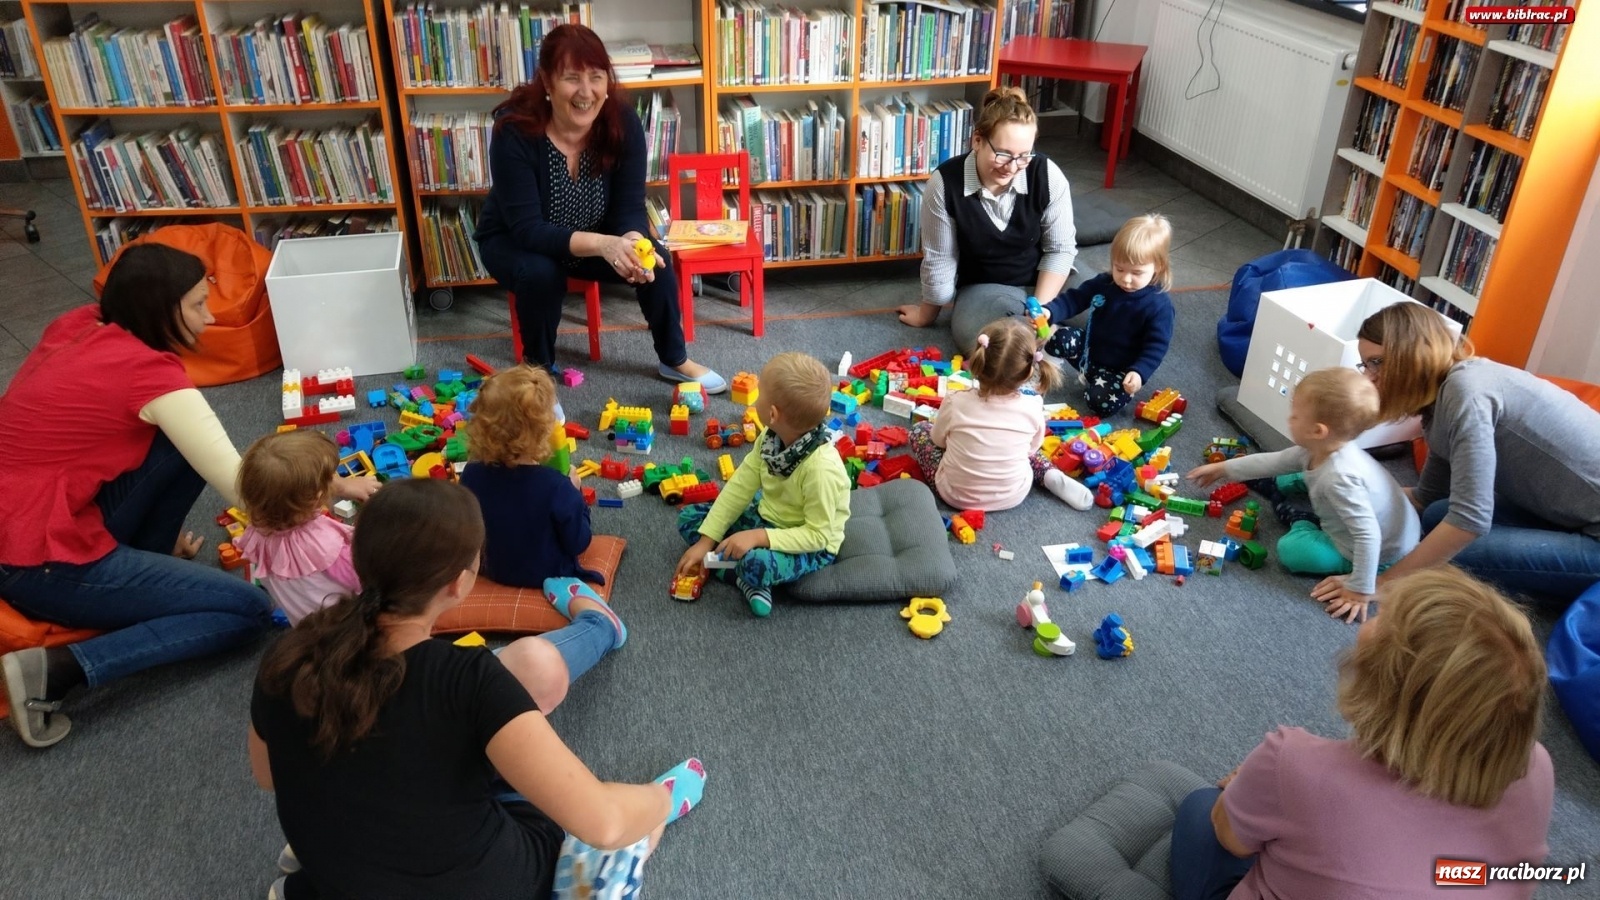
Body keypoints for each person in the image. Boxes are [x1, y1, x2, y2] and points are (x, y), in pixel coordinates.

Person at [250, 479, 702, 900]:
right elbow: (602, 823)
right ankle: (650, 826)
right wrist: (656, 802)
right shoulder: (468, 678)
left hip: (336, 877)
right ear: (460, 581)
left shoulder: (288, 654)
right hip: (482, 883)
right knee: (602, 841)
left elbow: (268, 776)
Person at [0, 244, 376, 749]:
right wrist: (341, 484)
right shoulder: (151, 377)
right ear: (160, 310)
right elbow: (254, 491)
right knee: (246, 611)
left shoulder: (83, 323)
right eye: (198, 304)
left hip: (30, 516)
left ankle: (146, 566)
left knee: (176, 442)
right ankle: (56, 672)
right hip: (34, 558)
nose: (211, 315)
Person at [1168, 567, 1554, 899]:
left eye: (1385, 620)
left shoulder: (1293, 762)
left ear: (1384, 693)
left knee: (1202, 809)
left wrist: (1249, 785)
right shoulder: (1536, 764)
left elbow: (1228, 837)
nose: (1369, 620)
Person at [475, 23, 725, 393]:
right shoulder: (514, 131)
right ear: (546, 81)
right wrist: (604, 245)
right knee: (541, 274)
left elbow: (627, 209)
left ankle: (675, 359)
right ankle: (537, 379)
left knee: (653, 258)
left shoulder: (622, 123)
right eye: (571, 78)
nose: (586, 92)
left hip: (592, 236)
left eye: (596, 77)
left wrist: (630, 241)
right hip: (515, 242)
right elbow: (528, 229)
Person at [1312, 302, 1600, 617]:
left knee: (1455, 553)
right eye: (1364, 365)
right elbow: (1427, 497)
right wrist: (1327, 489)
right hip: (1572, 513)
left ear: (1410, 355)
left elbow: (1469, 520)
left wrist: (1380, 584)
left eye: (1376, 363)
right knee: (1437, 516)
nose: (1369, 378)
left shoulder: (1466, 394)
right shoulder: (1441, 398)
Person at [1187, 367, 1419, 622]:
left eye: (1295, 416)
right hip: (1395, 527)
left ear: (1318, 431)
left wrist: (1360, 588)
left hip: (1382, 554)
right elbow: (1274, 461)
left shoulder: (1339, 479)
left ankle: (1300, 519)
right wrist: (1224, 468)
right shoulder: (1324, 449)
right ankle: (1293, 499)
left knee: (1292, 551)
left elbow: (1368, 536)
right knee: (1287, 473)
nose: (1289, 419)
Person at [896, 85, 1079, 355]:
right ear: (977, 140)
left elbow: (1060, 250)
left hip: (1044, 278)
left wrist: (1040, 312)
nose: (1012, 166)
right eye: (1003, 154)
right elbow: (940, 259)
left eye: (1023, 156)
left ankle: (1051, 336)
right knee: (984, 342)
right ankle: (1046, 342)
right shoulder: (945, 183)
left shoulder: (1048, 174)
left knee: (1114, 308)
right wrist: (927, 313)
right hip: (984, 287)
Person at [674, 352, 851, 617]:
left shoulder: (821, 469)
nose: (754, 399)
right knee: (690, 519)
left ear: (772, 413)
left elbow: (818, 535)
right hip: (766, 515)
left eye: (759, 394)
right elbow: (739, 487)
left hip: (810, 544)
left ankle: (747, 578)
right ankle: (741, 571)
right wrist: (706, 541)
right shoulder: (770, 439)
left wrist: (758, 537)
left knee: (756, 565)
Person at [908, 317, 1093, 511]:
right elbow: (1033, 447)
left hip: (955, 495)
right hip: (1014, 493)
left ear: (979, 360)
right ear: (1029, 371)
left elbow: (937, 440)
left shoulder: (956, 401)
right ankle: (1050, 476)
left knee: (920, 430)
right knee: (1028, 453)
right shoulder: (1033, 405)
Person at [459, 364, 607, 588]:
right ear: (544, 432)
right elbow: (578, 542)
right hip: (547, 574)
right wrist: (576, 495)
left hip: (493, 569)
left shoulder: (471, 474)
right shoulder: (558, 487)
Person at [1041, 214, 1176, 417]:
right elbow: (1076, 298)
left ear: (1158, 267)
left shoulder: (1159, 306)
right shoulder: (1105, 283)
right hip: (1088, 353)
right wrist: (1050, 310)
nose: (1126, 279)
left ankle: (1110, 387)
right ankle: (1051, 371)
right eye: (1119, 268)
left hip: (1119, 370)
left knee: (1099, 402)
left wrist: (1138, 373)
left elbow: (1155, 347)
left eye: (1137, 273)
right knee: (1058, 338)